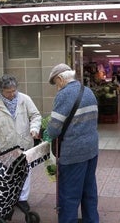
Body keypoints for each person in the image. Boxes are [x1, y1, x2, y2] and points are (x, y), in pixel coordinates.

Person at [45, 63, 99, 223]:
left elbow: (54, 129)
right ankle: (91, 220)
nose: (57, 87)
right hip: (91, 149)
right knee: (89, 189)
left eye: (56, 83)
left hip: (73, 152)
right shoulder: (88, 91)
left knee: (69, 193)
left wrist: (46, 131)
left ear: (61, 78)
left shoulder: (64, 94)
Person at [0, 74, 42, 211]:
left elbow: (35, 115)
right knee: (6, 173)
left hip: (24, 143)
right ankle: (8, 197)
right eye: (8, 92)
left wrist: (34, 128)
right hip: (4, 145)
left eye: (14, 90)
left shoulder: (25, 99)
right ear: (1, 91)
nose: (12, 94)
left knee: (25, 172)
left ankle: (22, 199)